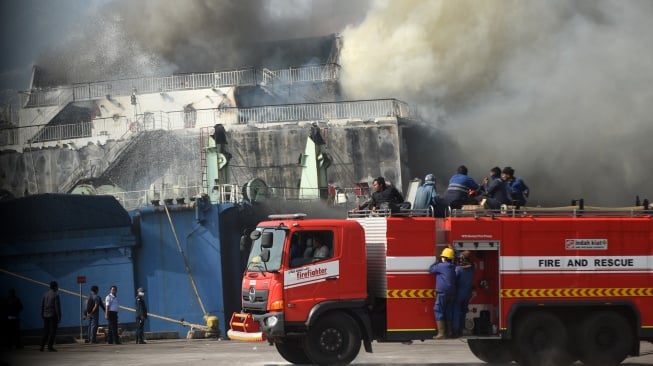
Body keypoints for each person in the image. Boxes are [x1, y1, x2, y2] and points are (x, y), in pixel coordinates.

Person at [428, 247, 456, 339]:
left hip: (442, 292)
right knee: (448, 311)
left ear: (444, 257)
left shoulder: (441, 266)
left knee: (438, 309)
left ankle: (441, 333)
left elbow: (431, 269)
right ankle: (449, 332)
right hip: (451, 292)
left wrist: (437, 261)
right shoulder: (453, 266)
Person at [452, 250, 475, 338]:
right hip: (468, 293)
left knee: (456, 311)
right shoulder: (472, 269)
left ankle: (455, 331)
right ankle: (462, 328)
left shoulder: (458, 269)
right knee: (463, 311)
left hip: (459, 293)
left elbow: (454, 279)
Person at [40, 281, 61, 352]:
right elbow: (57, 307)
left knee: (45, 331)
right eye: (57, 286)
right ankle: (49, 346)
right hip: (52, 315)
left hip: (45, 315)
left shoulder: (45, 294)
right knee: (52, 332)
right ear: (55, 287)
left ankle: (42, 346)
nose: (57, 288)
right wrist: (59, 316)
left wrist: (42, 314)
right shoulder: (55, 295)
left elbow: (42, 305)